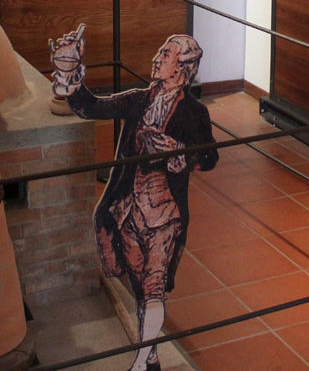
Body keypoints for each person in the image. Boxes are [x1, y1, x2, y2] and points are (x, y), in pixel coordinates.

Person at [50, 29, 218, 371]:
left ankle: (141, 363)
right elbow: (92, 107)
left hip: (165, 213)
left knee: (154, 286)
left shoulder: (195, 112)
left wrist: (181, 152)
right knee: (140, 286)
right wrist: (69, 71)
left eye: (166, 55)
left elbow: (210, 157)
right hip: (128, 209)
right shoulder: (139, 99)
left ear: (182, 68)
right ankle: (151, 352)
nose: (156, 58)